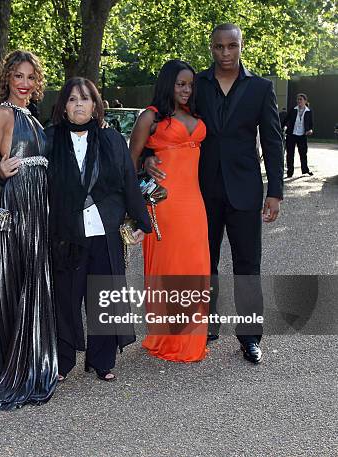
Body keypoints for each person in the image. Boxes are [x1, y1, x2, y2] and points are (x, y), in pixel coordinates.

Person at [144, 24, 283, 364]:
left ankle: (250, 337)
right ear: (211, 48)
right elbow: (163, 122)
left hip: (245, 191)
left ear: (241, 46)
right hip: (200, 193)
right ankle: (207, 325)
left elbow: (273, 141)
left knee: (248, 264)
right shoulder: (197, 85)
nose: (224, 53)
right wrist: (149, 157)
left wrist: (275, 192)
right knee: (204, 265)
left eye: (231, 46)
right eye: (218, 47)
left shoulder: (261, 88)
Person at [47, 77, 151, 381]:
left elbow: (128, 183)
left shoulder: (112, 140)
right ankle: (63, 361)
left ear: (96, 105)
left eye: (85, 98)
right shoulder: (49, 139)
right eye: (72, 99)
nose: (79, 104)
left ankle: (102, 361)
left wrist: (142, 222)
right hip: (66, 232)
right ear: (63, 106)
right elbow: (31, 181)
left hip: (104, 229)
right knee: (66, 298)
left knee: (104, 295)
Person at [0, 50, 58, 410]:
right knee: (19, 281)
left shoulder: (35, 119)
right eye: (17, 76)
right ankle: (17, 363)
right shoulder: (2, 114)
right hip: (18, 205)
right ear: (7, 79)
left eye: (30, 77)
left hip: (39, 206)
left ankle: (33, 358)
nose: (24, 83)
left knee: (34, 279)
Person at [130, 59, 210, 362]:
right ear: (167, 84)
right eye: (180, 84)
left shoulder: (194, 113)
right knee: (170, 267)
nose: (187, 89)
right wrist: (147, 160)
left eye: (190, 84)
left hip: (194, 203)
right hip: (164, 204)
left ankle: (192, 340)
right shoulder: (150, 117)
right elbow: (130, 161)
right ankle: (169, 339)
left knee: (195, 267)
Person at [283, 93, 313, 177]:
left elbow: (311, 124)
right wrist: (282, 127)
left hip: (302, 135)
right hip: (291, 134)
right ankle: (290, 172)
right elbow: (286, 119)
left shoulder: (308, 111)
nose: (299, 101)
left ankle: (305, 170)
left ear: (305, 101)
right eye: (298, 99)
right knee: (290, 154)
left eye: (301, 99)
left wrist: (310, 130)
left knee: (303, 153)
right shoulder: (293, 109)